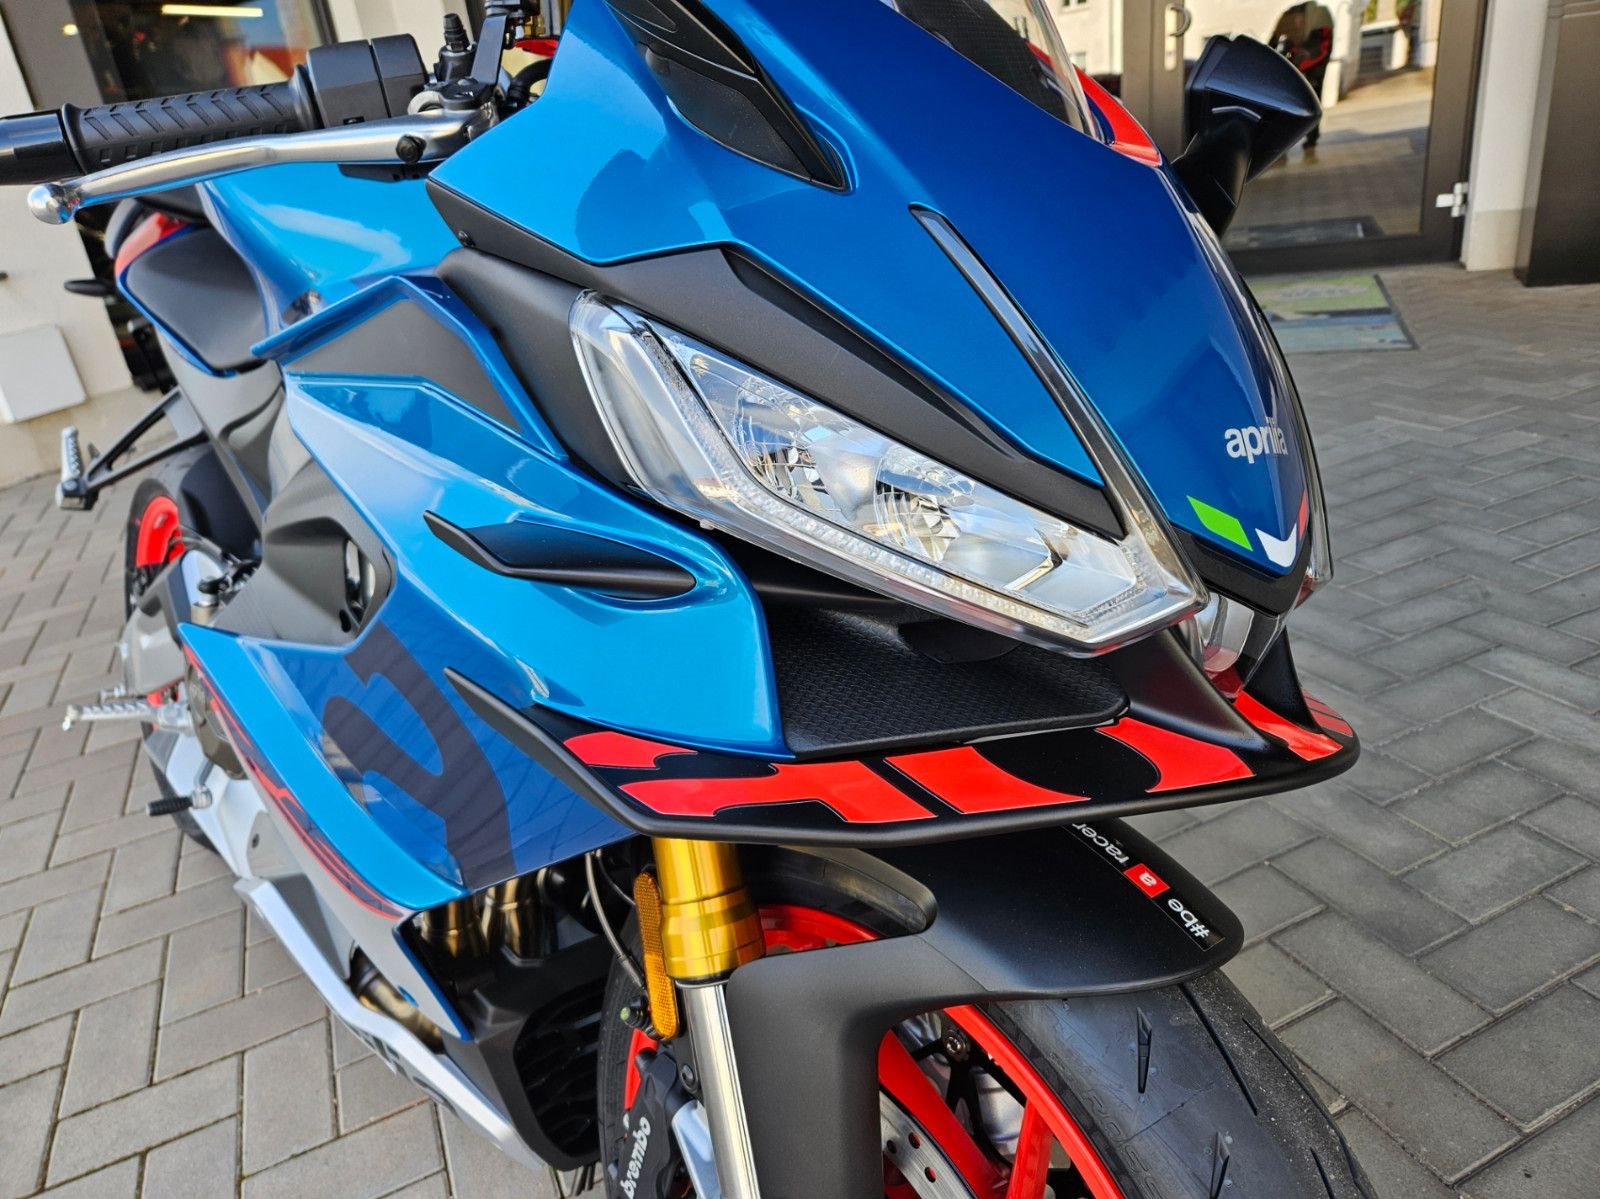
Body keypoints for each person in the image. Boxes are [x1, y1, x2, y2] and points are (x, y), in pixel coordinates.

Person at [1269, 2, 1334, 157]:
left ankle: (1311, 139)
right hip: (1294, 70)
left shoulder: (1320, 19)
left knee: (1312, 102)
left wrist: (1301, 59)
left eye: (1300, 19)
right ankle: (1284, 143)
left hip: (1314, 71)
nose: (1298, 22)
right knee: (1286, 106)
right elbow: (1274, 42)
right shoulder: (1289, 15)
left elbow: (1321, 49)